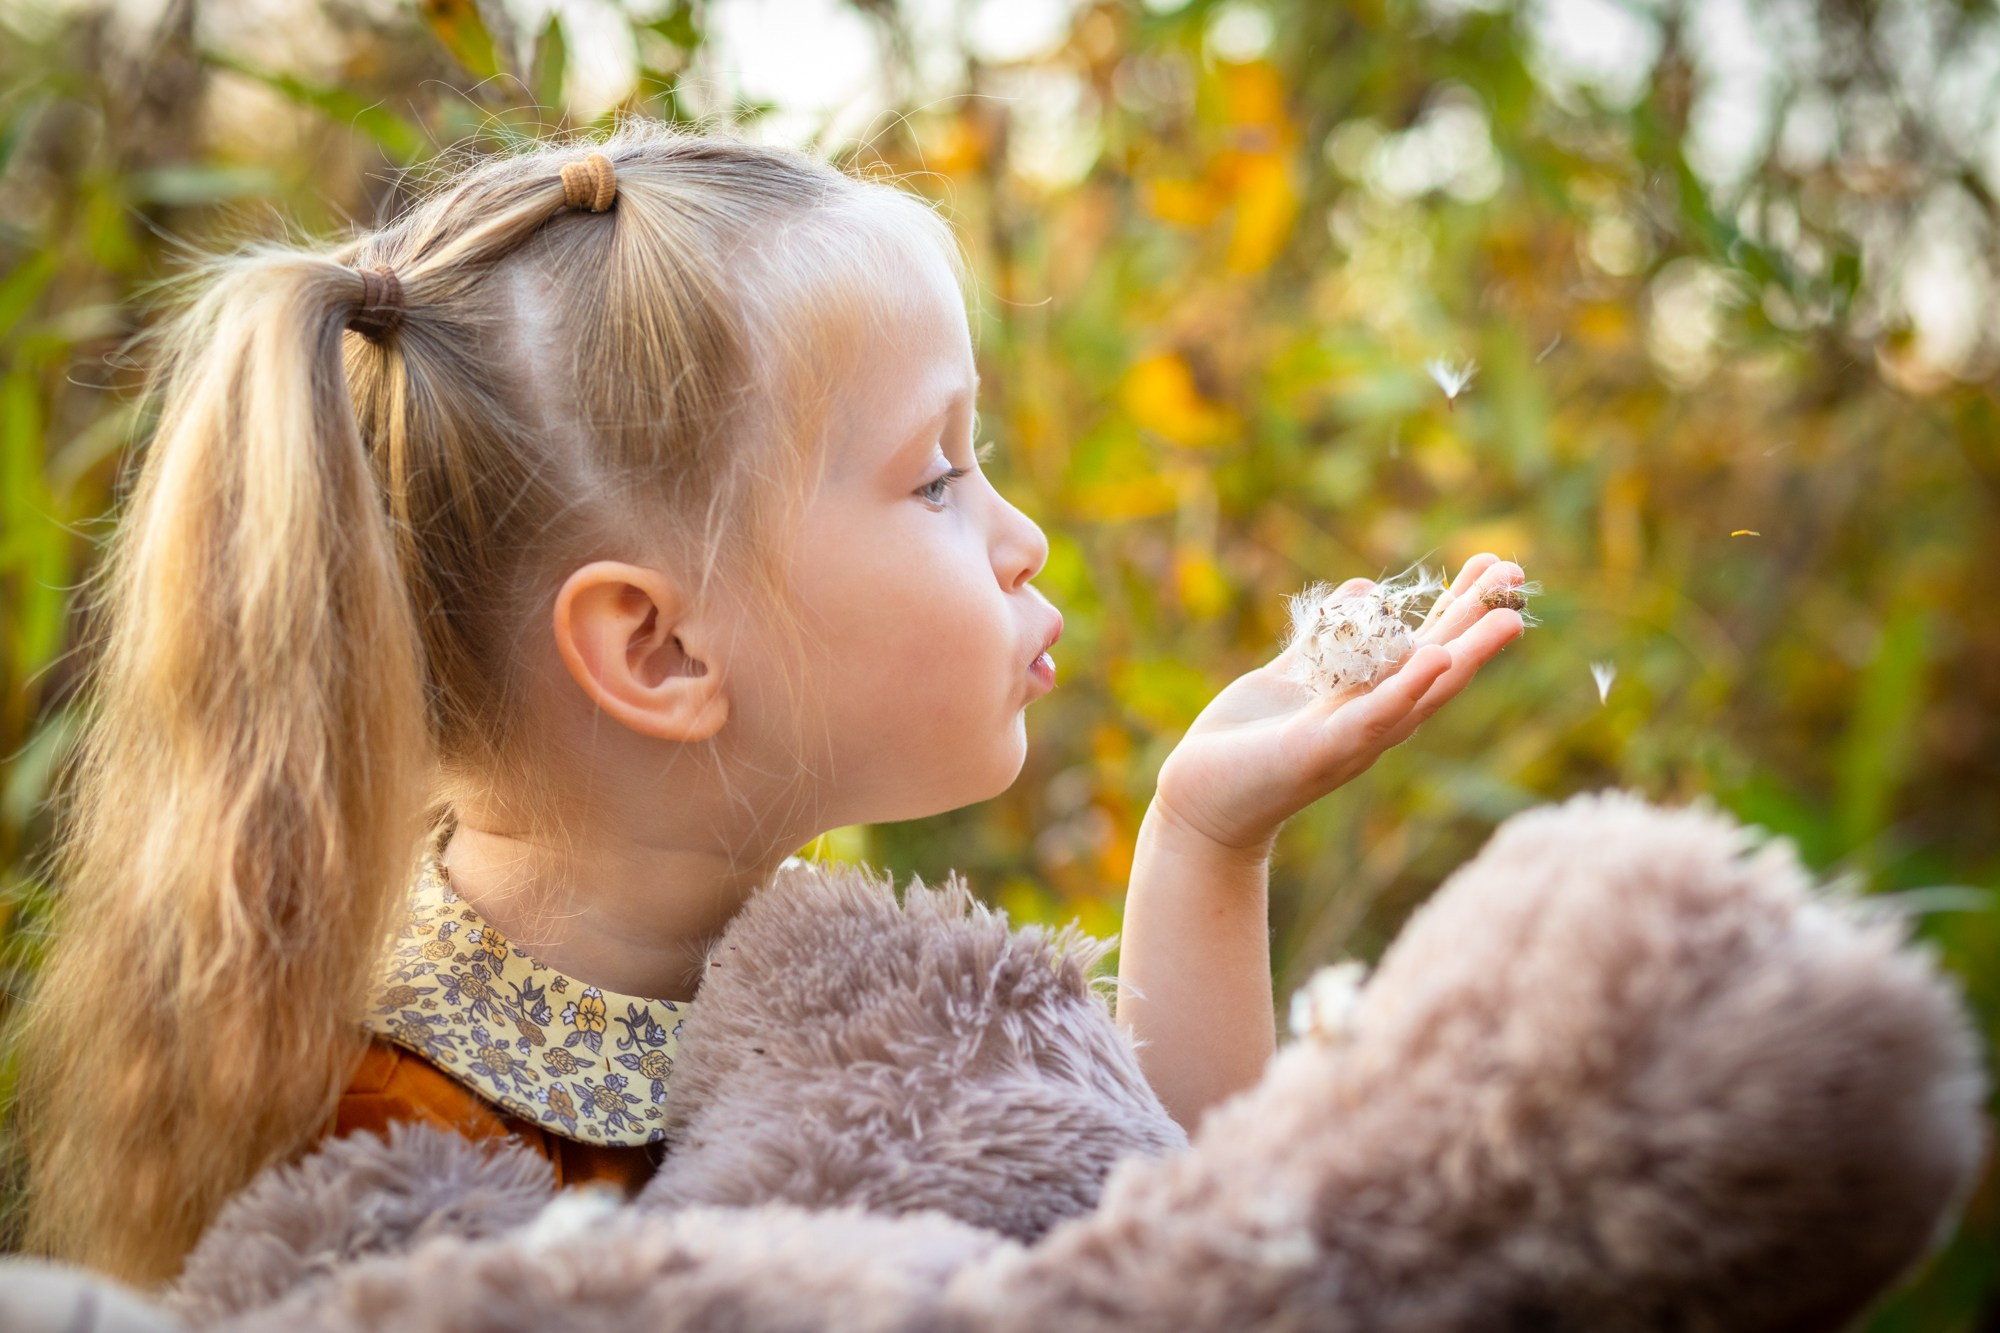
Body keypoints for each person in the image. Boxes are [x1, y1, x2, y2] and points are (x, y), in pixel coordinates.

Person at [1, 118, 1525, 1289]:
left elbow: (1171, 1252)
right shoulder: (411, 1186)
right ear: (660, 652)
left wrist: (1206, 837)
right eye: (938, 472)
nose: (1022, 539)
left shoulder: (864, 981)